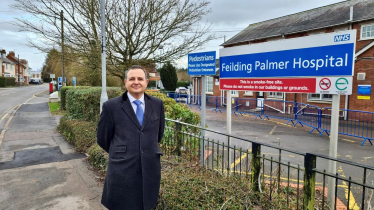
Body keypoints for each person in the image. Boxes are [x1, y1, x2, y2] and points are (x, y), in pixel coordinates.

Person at [97, 65, 165, 210]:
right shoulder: (111, 107)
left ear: (147, 82)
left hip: (149, 169)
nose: (136, 82)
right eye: (132, 78)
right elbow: (103, 138)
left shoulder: (157, 104)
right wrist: (120, 152)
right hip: (122, 171)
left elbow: (158, 134)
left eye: (140, 79)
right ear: (125, 82)